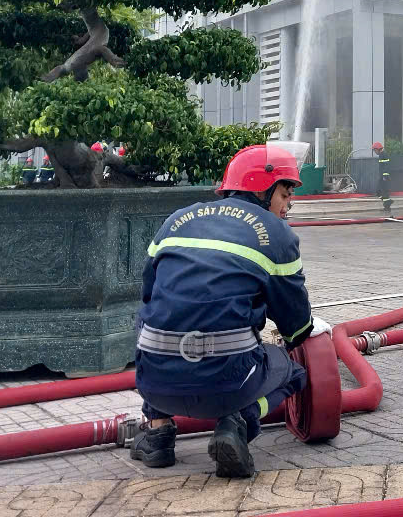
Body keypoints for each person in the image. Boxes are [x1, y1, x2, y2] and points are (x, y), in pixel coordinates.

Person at [131, 143, 332, 478]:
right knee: (294, 372)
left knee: (156, 320)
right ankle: (238, 423)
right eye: (285, 193)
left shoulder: (177, 219)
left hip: (153, 382)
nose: (289, 204)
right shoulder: (277, 235)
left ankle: (157, 435)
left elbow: (149, 293)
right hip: (227, 384)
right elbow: (296, 328)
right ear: (263, 190)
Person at [372, 141, 392, 214]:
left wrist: (384, 176)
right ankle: (388, 203)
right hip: (382, 176)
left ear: (378, 149)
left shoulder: (383, 154)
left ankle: (387, 206)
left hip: (384, 177)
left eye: (374, 150)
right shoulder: (382, 154)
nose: (374, 152)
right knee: (379, 192)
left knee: (383, 192)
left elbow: (386, 166)